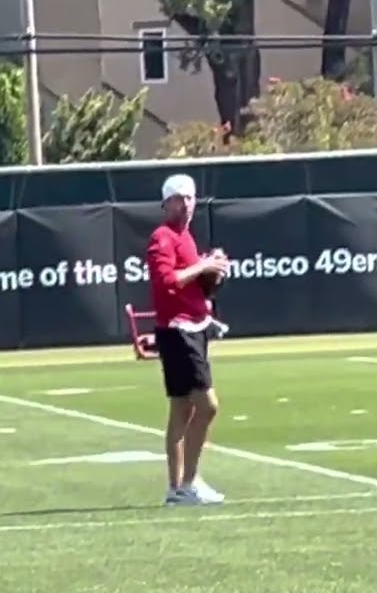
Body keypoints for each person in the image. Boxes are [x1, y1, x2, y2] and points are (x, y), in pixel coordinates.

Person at [146, 173, 230, 506]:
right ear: (166, 203)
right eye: (180, 198)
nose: (187, 204)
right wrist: (202, 266)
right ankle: (189, 482)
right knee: (207, 406)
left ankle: (176, 488)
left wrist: (213, 272)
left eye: (191, 197)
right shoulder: (162, 238)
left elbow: (195, 283)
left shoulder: (187, 239)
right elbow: (168, 280)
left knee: (181, 409)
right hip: (178, 330)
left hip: (192, 327)